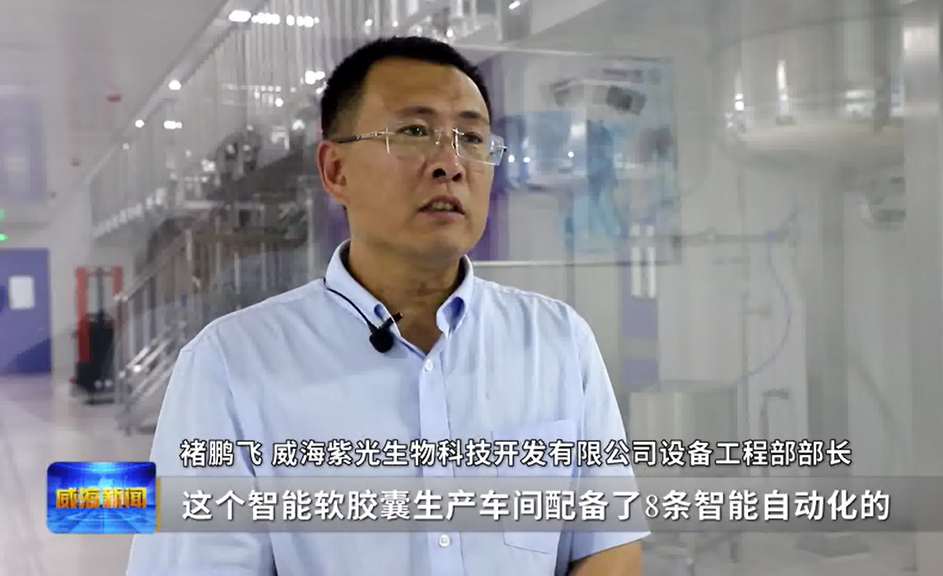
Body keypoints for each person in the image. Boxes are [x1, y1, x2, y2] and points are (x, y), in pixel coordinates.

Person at [126, 36, 647, 576]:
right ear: (336, 170)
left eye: (471, 137)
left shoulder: (557, 340)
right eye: (414, 132)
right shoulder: (230, 364)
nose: (451, 164)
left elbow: (608, 544)